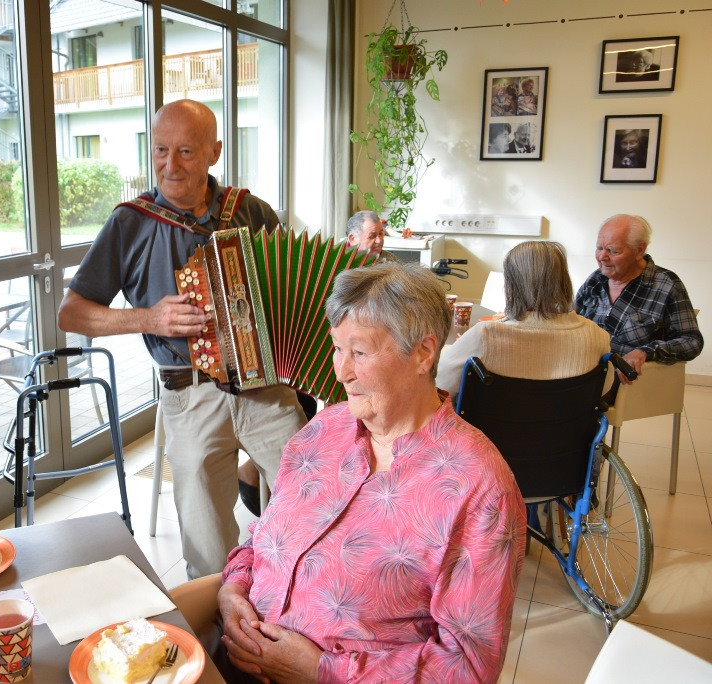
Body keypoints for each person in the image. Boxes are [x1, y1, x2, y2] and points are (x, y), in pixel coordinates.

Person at [217, 264, 526, 683]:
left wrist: (320, 670)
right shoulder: (322, 431)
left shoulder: (479, 488)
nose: (341, 371)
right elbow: (264, 535)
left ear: (423, 353)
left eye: (359, 352)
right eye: (336, 349)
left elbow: (468, 666)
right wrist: (233, 589)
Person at [57, 99, 306, 580]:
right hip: (189, 398)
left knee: (316, 502)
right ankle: (218, 637)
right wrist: (148, 319)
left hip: (267, 391)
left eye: (187, 151)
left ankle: (296, 603)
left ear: (214, 152)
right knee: (207, 547)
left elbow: (294, 287)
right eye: (161, 150)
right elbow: (72, 313)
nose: (170, 165)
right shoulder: (130, 222)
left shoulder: (250, 211)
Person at [436, 241, 610, 395]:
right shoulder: (597, 335)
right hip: (571, 431)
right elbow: (603, 389)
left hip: (493, 431)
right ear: (563, 282)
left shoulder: (486, 336)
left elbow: (440, 382)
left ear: (512, 286)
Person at [576, 214, 703, 383]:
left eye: (613, 251)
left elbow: (691, 341)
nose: (602, 257)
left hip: (626, 382)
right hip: (582, 371)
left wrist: (645, 351)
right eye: (599, 248)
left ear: (639, 250)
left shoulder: (666, 285)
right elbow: (571, 319)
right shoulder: (595, 280)